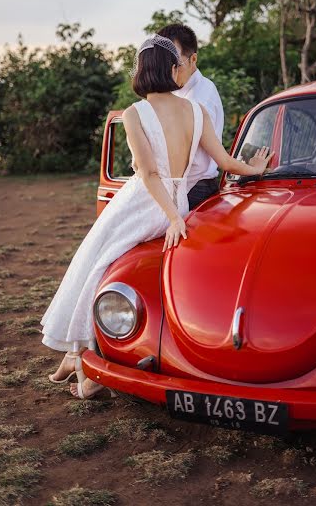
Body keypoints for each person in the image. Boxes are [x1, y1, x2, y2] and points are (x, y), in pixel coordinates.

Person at [40, 34, 274, 400]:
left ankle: (84, 363)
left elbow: (148, 174)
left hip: (142, 203)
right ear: (171, 69)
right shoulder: (196, 111)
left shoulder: (135, 114)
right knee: (111, 268)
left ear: (140, 72)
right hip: (177, 201)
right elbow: (225, 162)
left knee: (95, 266)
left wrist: (172, 218)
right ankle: (79, 359)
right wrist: (255, 169)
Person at [157, 24, 224, 209]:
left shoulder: (200, 99)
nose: (170, 71)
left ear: (193, 59)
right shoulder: (176, 90)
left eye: (176, 64)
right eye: (165, 63)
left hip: (194, 189)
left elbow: (196, 164)